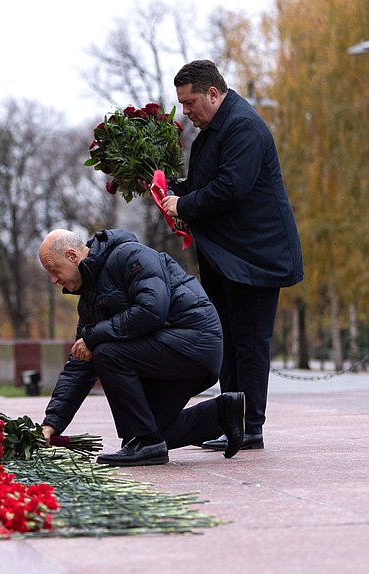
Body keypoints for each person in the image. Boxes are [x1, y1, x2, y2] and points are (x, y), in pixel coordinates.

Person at [162, 60, 303, 451]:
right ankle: (232, 423)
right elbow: (200, 186)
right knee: (228, 340)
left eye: (190, 103)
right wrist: (164, 187)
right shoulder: (212, 131)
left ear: (213, 93)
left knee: (251, 342)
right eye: (182, 104)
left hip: (257, 258)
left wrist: (183, 205)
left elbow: (230, 188)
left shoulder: (243, 125)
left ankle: (251, 427)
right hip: (227, 256)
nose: (186, 112)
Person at [38, 228, 244, 466]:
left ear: (72, 256)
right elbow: (80, 363)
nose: (54, 280)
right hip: (173, 351)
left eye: (54, 271)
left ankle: (147, 443)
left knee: (107, 354)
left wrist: (94, 337)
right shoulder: (90, 300)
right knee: (150, 429)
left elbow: (152, 309)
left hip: (195, 341)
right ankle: (221, 414)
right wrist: (51, 424)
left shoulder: (129, 256)